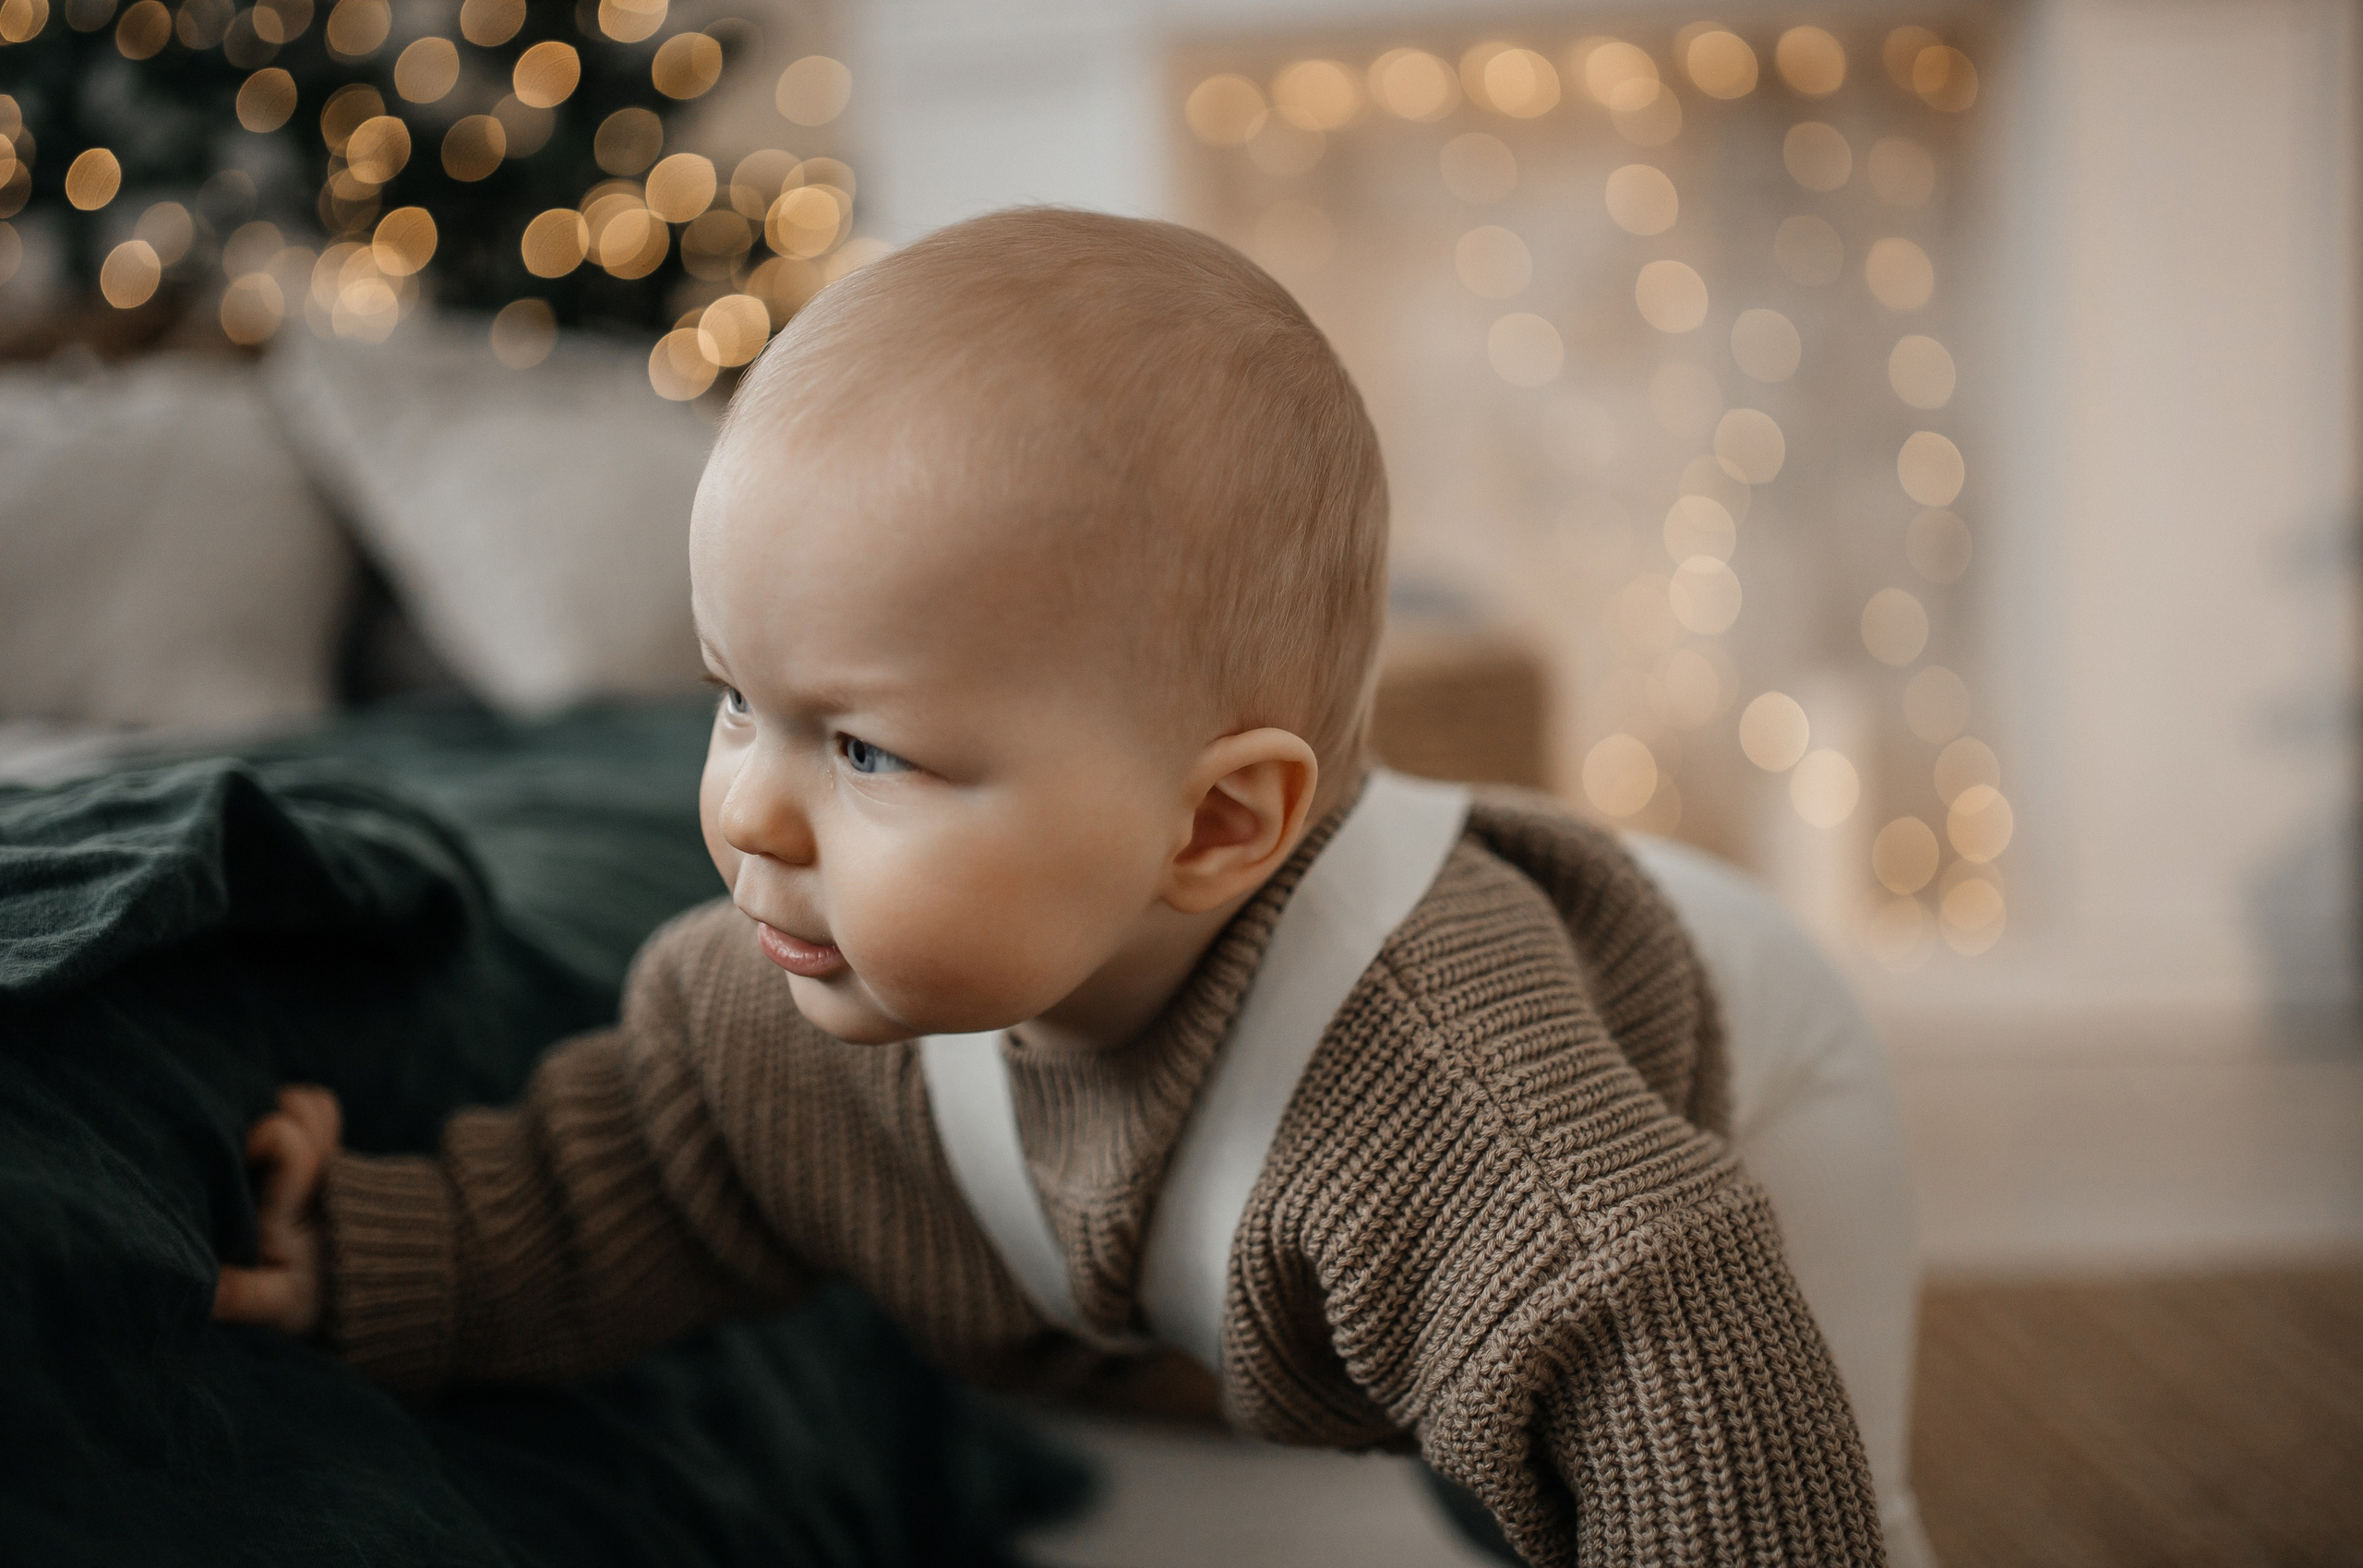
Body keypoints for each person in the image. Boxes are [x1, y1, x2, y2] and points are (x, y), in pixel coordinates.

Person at [214, 208, 1884, 1566]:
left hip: (1737, 1102)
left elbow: (1677, 1370)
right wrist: (379, 1258)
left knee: (1639, 1483)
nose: (750, 814)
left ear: (1216, 827)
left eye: (865, 753)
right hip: (1388, 1235)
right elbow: (640, 1175)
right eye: (737, 701)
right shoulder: (789, 1017)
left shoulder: (1457, 1109)